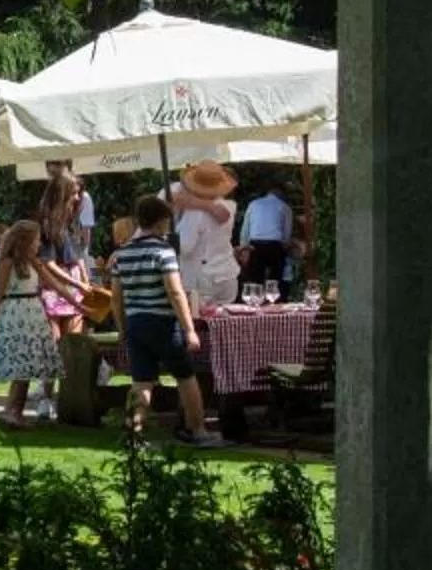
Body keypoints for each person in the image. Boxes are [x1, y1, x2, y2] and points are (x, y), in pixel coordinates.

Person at [110, 194, 219, 446]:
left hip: (136, 323)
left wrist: (122, 327)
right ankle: (198, 430)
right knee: (185, 376)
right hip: (162, 323)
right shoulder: (163, 251)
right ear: (161, 223)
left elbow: (116, 298)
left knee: (141, 381)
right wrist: (189, 329)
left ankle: (133, 434)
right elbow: (175, 291)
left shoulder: (122, 254)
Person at [0, 219, 77, 426]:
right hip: (15, 314)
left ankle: (13, 410)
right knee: (21, 365)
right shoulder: (7, 264)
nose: (39, 244)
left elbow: (56, 286)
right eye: (35, 240)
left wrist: (79, 303)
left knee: (27, 365)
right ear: (24, 241)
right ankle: (12, 411)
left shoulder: (34, 262)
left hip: (33, 313)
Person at [171, 163, 242, 312]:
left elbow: (185, 247)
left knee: (200, 326)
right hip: (227, 273)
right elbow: (221, 213)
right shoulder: (230, 205)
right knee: (227, 326)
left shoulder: (195, 213)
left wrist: (167, 240)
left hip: (201, 278)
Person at [236, 175, 295, 290]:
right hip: (275, 245)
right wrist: (286, 247)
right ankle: (275, 300)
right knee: (275, 280)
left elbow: (245, 228)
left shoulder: (254, 204)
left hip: (255, 244)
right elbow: (287, 234)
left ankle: (255, 301)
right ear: (281, 192)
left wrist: (244, 247)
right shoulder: (285, 207)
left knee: (255, 281)